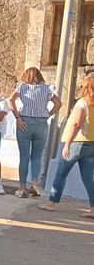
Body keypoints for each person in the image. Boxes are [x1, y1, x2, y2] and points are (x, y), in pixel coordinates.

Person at [38, 75, 94, 216]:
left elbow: (76, 124)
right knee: (88, 178)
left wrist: (67, 144)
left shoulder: (82, 103)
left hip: (77, 142)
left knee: (61, 174)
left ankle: (52, 203)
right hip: (91, 144)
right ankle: (93, 208)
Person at [8, 67, 62, 198]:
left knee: (24, 157)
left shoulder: (21, 87)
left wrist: (17, 117)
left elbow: (10, 100)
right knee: (37, 157)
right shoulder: (47, 89)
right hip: (41, 123)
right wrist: (47, 115)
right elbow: (58, 104)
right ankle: (35, 185)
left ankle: (21, 188)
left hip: (24, 121)